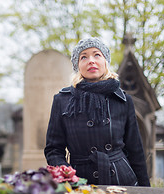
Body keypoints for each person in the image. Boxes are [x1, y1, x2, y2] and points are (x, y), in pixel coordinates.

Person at [44, 37, 150, 186]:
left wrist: (146, 191)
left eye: (97, 55)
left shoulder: (123, 100)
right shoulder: (63, 100)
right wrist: (68, 177)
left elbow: (136, 151)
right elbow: (54, 150)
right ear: (78, 66)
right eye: (84, 57)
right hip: (80, 183)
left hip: (121, 181)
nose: (91, 60)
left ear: (105, 61)